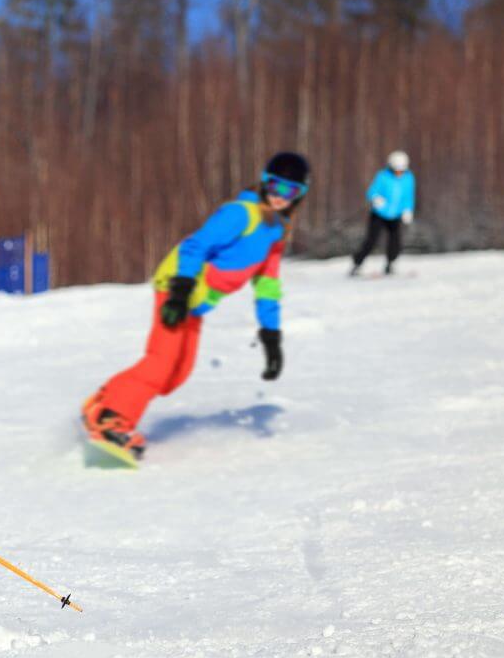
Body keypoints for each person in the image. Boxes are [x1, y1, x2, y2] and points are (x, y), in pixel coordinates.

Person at [81, 152, 309, 460]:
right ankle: (111, 418)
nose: (280, 197)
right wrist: (180, 290)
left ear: (300, 196)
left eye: (290, 191)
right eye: (275, 187)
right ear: (264, 182)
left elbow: (267, 284)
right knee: (161, 361)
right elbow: (196, 245)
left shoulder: (275, 232)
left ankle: (104, 402)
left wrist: (271, 336)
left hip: (196, 302)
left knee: (177, 372)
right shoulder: (241, 214)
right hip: (178, 287)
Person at [351, 150, 415, 276]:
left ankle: (390, 264)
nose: (398, 173)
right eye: (396, 170)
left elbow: (409, 196)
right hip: (379, 214)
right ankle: (357, 264)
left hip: (395, 215)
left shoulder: (409, 178)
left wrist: (408, 209)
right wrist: (376, 198)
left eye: (401, 170)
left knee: (395, 242)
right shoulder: (382, 176)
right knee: (371, 241)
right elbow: (371, 191)